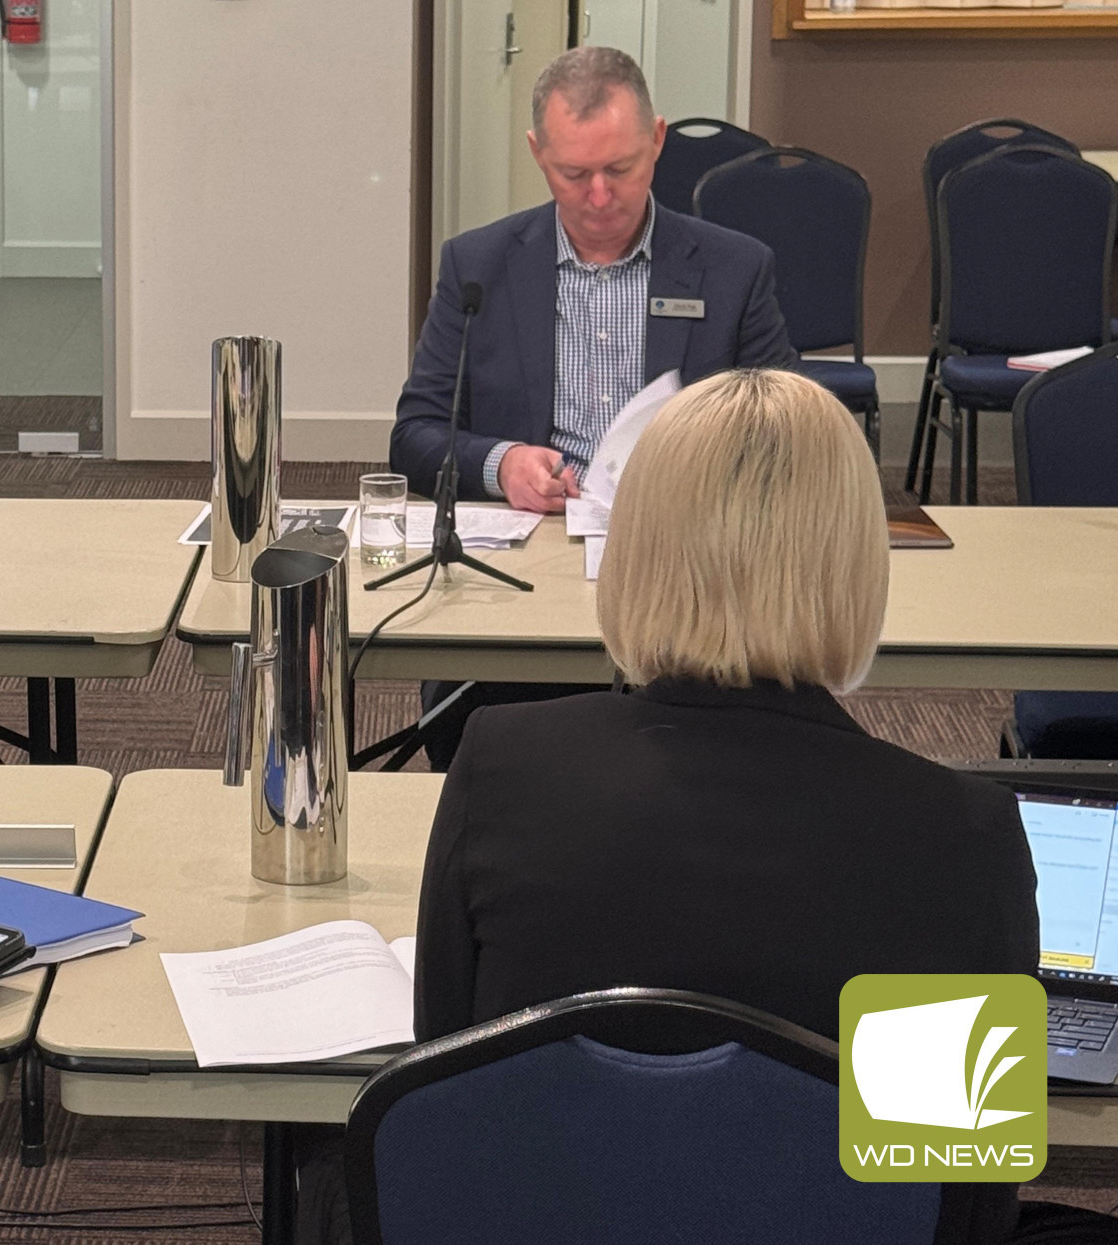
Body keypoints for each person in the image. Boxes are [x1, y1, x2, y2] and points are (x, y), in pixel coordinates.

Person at [415, 369, 1107, 1243]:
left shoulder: (502, 766)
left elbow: (440, 1073)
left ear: (635, 548)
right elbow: (956, 1187)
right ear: (858, 562)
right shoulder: (961, 836)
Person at [388, 46, 798, 769]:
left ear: (659, 141)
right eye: (574, 174)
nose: (600, 195)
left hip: (691, 582)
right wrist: (501, 461)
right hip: (524, 585)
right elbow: (416, 434)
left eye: (623, 169)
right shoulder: (477, 266)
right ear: (537, 154)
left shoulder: (735, 268)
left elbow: (794, 432)